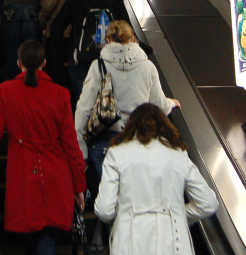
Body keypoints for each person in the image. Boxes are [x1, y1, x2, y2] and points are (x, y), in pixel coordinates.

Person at [0, 41, 86, 255]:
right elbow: (71, 144)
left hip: (24, 175)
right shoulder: (61, 94)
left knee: (31, 238)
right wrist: (79, 185)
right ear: (44, 63)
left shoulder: (6, 91)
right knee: (47, 238)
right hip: (55, 175)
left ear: (18, 63)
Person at [94, 103, 218, 255]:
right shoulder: (178, 154)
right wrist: (178, 213)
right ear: (164, 125)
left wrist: (123, 215)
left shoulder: (116, 154)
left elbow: (104, 209)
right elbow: (208, 203)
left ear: (131, 125)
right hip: (175, 241)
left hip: (128, 241)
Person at [73, 20, 177, 174]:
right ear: (133, 39)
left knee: (106, 195)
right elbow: (159, 106)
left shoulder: (98, 66)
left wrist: (81, 151)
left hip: (105, 143)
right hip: (138, 141)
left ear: (107, 40)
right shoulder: (148, 67)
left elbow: (84, 109)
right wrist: (171, 103)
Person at [50, 0, 130, 103]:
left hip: (81, 61)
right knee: (109, 108)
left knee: (85, 107)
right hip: (111, 62)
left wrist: (64, 56)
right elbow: (127, 28)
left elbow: (56, 27)